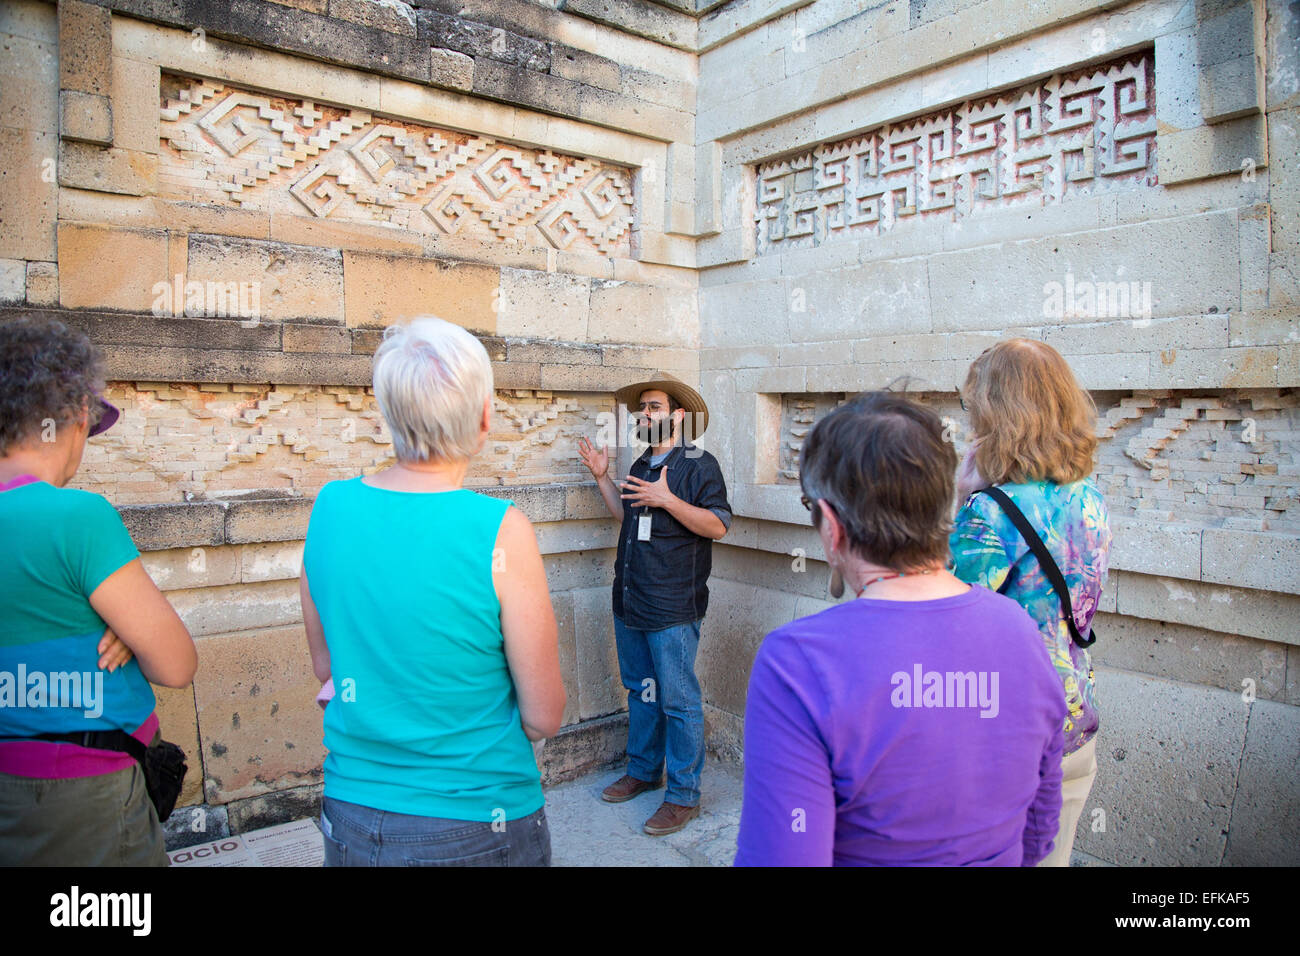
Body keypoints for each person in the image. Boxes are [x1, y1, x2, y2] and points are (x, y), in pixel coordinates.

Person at [734, 391, 1066, 866]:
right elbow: (1038, 828)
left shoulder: (797, 662)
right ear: (945, 502)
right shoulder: (1020, 628)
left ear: (831, 526)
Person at [302, 316, 565, 866]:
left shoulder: (330, 507)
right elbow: (544, 716)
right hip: (476, 819)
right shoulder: (499, 528)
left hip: (351, 809)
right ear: (484, 416)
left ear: (388, 413)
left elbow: (327, 666)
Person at [0, 315, 197, 866]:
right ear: (79, 415)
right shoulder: (76, 517)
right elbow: (177, 664)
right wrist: (132, 630)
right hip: (85, 794)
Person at [951, 338, 1111, 867]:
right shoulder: (1090, 496)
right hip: (1072, 718)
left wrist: (959, 500)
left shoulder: (988, 512)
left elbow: (944, 620)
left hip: (1003, 739)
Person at [577, 372, 731, 836]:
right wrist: (604, 478)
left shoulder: (700, 464)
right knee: (641, 690)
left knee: (679, 700)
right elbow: (629, 517)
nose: (646, 414)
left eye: (655, 407)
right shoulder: (643, 463)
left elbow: (718, 525)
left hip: (673, 606)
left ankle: (683, 796)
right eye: (642, 408)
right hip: (631, 599)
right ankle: (644, 771)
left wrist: (669, 500)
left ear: (678, 415)